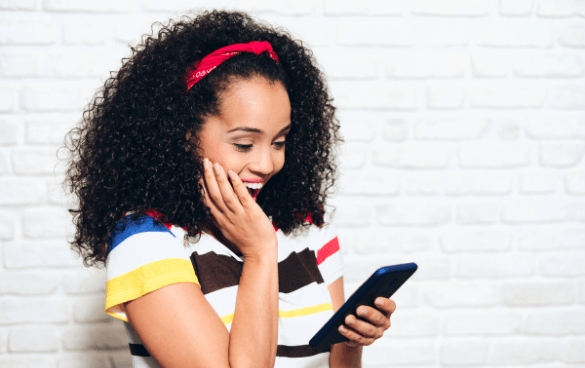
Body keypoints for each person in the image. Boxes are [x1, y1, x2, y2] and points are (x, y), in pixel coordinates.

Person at [63, 9, 396, 368]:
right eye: (243, 144)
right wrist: (260, 252)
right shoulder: (146, 242)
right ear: (184, 136)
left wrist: (351, 341)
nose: (266, 164)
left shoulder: (308, 228)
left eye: (279, 142)